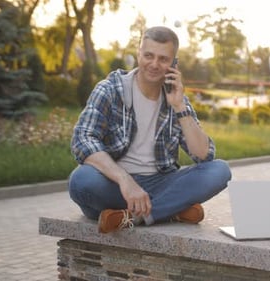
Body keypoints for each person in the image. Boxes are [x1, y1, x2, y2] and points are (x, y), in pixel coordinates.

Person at [68, 26, 232, 234]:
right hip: (115, 184)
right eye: (148, 56)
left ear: (174, 63)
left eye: (163, 59)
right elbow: (83, 139)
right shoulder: (111, 89)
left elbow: (203, 155)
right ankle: (172, 210)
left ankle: (134, 217)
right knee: (81, 180)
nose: (154, 64)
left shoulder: (177, 99)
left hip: (160, 181)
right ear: (138, 54)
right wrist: (125, 179)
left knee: (219, 171)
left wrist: (180, 107)